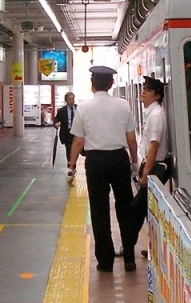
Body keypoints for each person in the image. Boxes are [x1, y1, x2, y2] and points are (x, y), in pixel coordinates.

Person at [68, 66, 138, 273]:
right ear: (111, 83)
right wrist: (134, 162)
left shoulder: (83, 108)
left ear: (92, 85)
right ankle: (129, 259)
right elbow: (131, 139)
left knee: (99, 210)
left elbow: (78, 141)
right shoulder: (123, 105)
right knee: (125, 208)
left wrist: (72, 166)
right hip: (119, 159)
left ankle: (105, 262)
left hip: (95, 161)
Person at [130, 75, 170, 246]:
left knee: (136, 209)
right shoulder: (152, 113)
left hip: (154, 168)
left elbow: (154, 146)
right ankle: (154, 248)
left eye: (148, 90)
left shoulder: (156, 115)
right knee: (148, 211)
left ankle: (128, 246)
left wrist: (146, 174)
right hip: (151, 166)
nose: (143, 92)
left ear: (157, 95)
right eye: (143, 89)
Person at [53, 91, 77, 165]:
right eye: (70, 99)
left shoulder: (78, 108)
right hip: (67, 133)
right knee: (69, 150)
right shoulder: (62, 111)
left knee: (77, 149)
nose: (72, 101)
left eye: (73, 99)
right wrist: (56, 123)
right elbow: (56, 118)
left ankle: (73, 163)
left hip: (77, 133)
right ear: (66, 100)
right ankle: (70, 165)